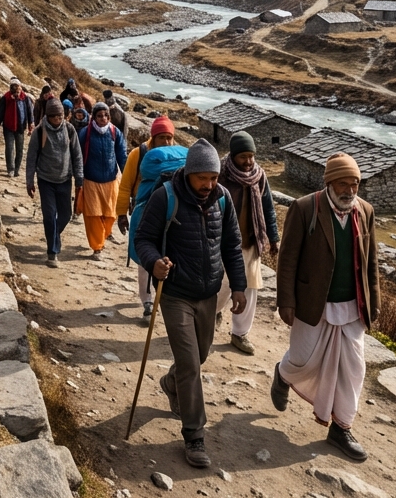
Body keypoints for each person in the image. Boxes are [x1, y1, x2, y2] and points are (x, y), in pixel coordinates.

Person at [135, 139, 247, 468]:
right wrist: (154, 262)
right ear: (189, 174)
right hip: (174, 294)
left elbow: (232, 245)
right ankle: (194, 434)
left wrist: (238, 286)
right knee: (190, 364)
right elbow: (143, 238)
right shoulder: (165, 197)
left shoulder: (223, 199)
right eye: (203, 178)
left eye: (214, 178)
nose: (209, 185)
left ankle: (171, 384)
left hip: (209, 294)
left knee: (200, 355)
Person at [272, 152, 380, 463]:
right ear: (329, 182)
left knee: (354, 368)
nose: (350, 191)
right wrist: (286, 301)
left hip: (352, 306)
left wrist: (374, 302)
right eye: (343, 184)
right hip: (312, 303)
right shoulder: (306, 208)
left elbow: (371, 261)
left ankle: (341, 427)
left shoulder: (366, 212)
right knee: (303, 358)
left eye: (355, 184)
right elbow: (288, 259)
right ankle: (282, 374)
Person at [215, 131, 279, 355]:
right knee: (222, 286)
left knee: (249, 289)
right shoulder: (220, 174)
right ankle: (214, 313)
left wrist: (273, 238)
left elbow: (268, 208)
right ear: (233, 156)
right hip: (222, 243)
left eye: (251, 156)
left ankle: (240, 334)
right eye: (243, 156)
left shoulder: (259, 176)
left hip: (251, 243)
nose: (249, 161)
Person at [116, 115, 181, 320]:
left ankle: (163, 296)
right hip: (143, 212)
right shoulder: (139, 154)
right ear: (153, 138)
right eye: (162, 137)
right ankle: (147, 300)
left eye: (169, 137)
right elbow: (126, 185)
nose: (166, 142)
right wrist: (121, 214)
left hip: (169, 215)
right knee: (145, 257)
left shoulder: (177, 156)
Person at [26, 99, 84, 267]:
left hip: (65, 179)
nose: (58, 119)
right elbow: (31, 159)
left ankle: (52, 235)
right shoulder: (39, 132)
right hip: (46, 180)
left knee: (65, 215)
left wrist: (79, 179)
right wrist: (29, 181)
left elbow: (77, 155)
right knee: (50, 216)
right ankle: (52, 253)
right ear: (48, 116)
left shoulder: (70, 129)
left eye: (60, 116)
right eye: (54, 117)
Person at [76, 101, 126, 259]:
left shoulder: (115, 132)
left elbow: (122, 155)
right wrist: (77, 175)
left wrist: (126, 176)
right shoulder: (85, 133)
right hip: (90, 180)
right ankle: (97, 248)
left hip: (111, 180)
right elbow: (77, 154)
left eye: (106, 115)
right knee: (93, 216)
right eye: (99, 116)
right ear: (94, 118)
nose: (103, 118)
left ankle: (104, 235)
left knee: (111, 214)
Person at [0, 77, 34, 177]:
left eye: (18, 87)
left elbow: (30, 112)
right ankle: (10, 169)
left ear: (20, 87)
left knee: (19, 150)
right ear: (11, 88)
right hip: (8, 128)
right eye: (14, 87)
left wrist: (31, 124)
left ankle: (16, 169)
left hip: (20, 128)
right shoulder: (5, 98)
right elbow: (0, 113)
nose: (16, 89)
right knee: (10, 148)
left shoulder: (25, 98)